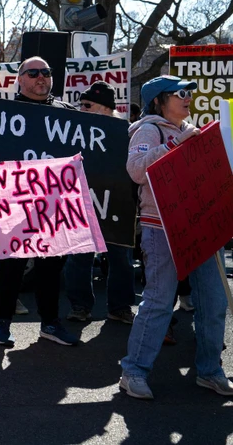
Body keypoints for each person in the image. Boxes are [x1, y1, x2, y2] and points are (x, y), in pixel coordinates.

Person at [119, 75, 233, 400]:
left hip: (202, 227)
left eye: (189, 93)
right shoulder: (148, 130)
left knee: (213, 302)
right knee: (159, 301)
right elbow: (137, 169)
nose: (188, 98)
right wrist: (176, 144)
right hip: (161, 227)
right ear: (159, 100)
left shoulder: (191, 129)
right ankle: (134, 372)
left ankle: (210, 372)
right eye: (181, 93)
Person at [0, 56, 80, 348]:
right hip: (13, 206)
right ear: (20, 78)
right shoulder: (2, 114)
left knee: (51, 269)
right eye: (34, 73)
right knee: (10, 268)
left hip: (53, 207)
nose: (41, 77)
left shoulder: (66, 112)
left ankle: (50, 323)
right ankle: (0, 322)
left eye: (47, 72)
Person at [64, 81, 136, 325]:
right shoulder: (73, 130)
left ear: (106, 109)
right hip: (82, 203)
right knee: (79, 258)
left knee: (121, 260)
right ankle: (80, 306)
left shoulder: (126, 132)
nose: (81, 109)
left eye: (87, 105)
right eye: (81, 105)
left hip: (116, 204)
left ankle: (120, 307)